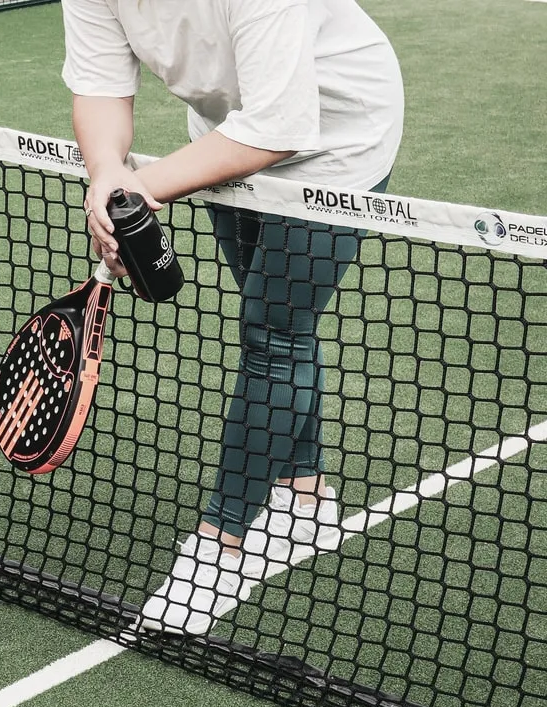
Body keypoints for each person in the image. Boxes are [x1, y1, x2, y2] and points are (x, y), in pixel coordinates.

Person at [61, 0, 404, 634]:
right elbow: (101, 84)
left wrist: (146, 186)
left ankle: (221, 544)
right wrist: (109, 172)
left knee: (273, 332)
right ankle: (305, 495)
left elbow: (278, 125)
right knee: (280, 320)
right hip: (227, 133)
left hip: (339, 138)